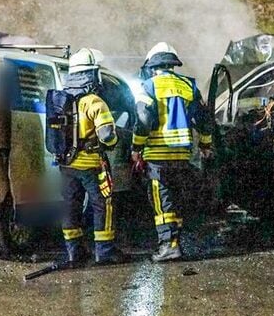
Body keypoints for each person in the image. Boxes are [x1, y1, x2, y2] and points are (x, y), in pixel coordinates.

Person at [132, 42, 214, 262]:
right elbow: (203, 120)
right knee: (176, 200)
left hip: (158, 156)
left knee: (162, 202)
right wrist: (205, 145)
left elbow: (142, 120)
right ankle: (175, 242)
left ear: (152, 65)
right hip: (182, 156)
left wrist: (136, 148)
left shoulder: (148, 86)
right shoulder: (189, 86)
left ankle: (168, 246)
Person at [58, 48, 122, 266]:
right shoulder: (94, 101)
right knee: (102, 205)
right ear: (92, 74)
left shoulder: (60, 99)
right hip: (92, 164)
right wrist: (114, 143)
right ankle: (104, 251)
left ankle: (74, 252)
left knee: (70, 206)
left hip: (66, 165)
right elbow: (107, 135)